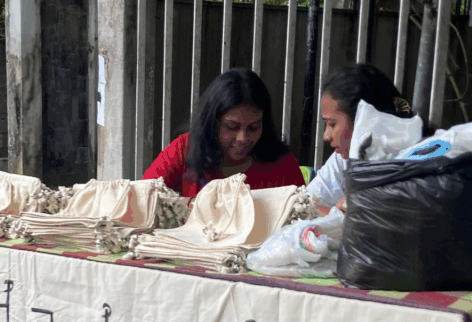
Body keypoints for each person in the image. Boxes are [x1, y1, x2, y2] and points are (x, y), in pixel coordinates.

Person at [143, 68, 305, 198]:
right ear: (212, 122)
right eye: (232, 127)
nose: (242, 138)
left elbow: (303, 220)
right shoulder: (185, 148)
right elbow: (144, 196)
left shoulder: (282, 164)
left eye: (253, 127)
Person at [307, 63, 414, 213]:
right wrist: (338, 213)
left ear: (362, 120)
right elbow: (306, 204)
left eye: (332, 124)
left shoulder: (409, 165)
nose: (326, 136)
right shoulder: (343, 159)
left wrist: (340, 214)